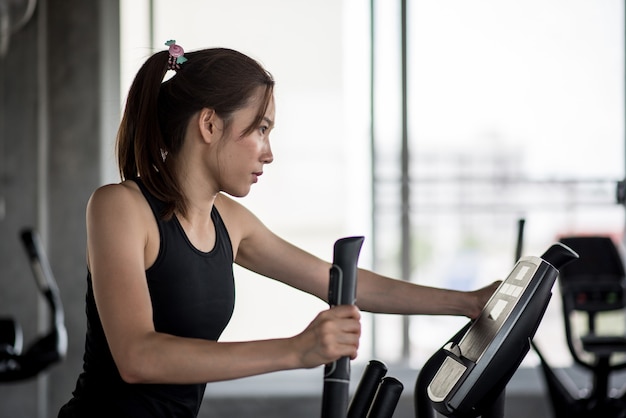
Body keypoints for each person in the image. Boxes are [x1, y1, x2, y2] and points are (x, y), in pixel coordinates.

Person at [58, 41, 500, 418]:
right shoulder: (120, 208)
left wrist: (466, 303)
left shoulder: (229, 221)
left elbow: (344, 284)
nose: (268, 154)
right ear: (209, 124)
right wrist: (297, 350)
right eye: (261, 130)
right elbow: (138, 356)